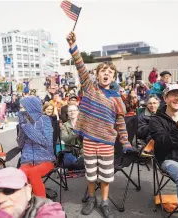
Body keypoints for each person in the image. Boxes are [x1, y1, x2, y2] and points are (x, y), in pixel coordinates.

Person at [67, 31, 132, 218]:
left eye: (110, 72)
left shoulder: (117, 98)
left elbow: (120, 123)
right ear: (97, 74)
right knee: (90, 173)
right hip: (89, 140)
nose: (107, 74)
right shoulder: (89, 87)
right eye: (103, 71)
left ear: (113, 78)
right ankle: (91, 198)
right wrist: (73, 46)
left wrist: (126, 142)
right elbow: (80, 66)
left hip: (106, 142)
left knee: (105, 175)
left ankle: (104, 202)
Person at [17, 97, 55, 197]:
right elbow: (20, 144)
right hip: (27, 160)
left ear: (31, 108)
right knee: (18, 175)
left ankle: (41, 204)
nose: (21, 111)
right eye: (20, 108)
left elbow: (46, 142)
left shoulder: (45, 119)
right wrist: (22, 128)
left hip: (45, 159)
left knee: (34, 173)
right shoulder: (24, 122)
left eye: (23, 108)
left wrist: (27, 127)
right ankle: (25, 205)